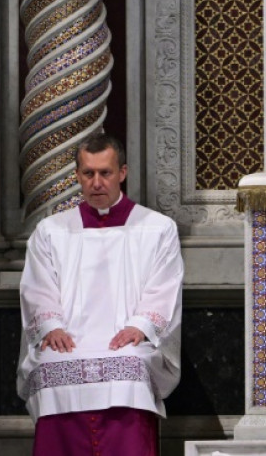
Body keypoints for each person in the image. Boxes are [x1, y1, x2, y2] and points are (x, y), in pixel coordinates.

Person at [17, 134, 184, 456]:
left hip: (128, 338)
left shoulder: (157, 227)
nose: (96, 182)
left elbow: (164, 286)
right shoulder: (52, 230)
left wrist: (141, 326)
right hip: (68, 338)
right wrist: (50, 326)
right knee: (50, 362)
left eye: (105, 173)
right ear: (77, 175)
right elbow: (38, 287)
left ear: (122, 172)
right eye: (88, 173)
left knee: (133, 365)